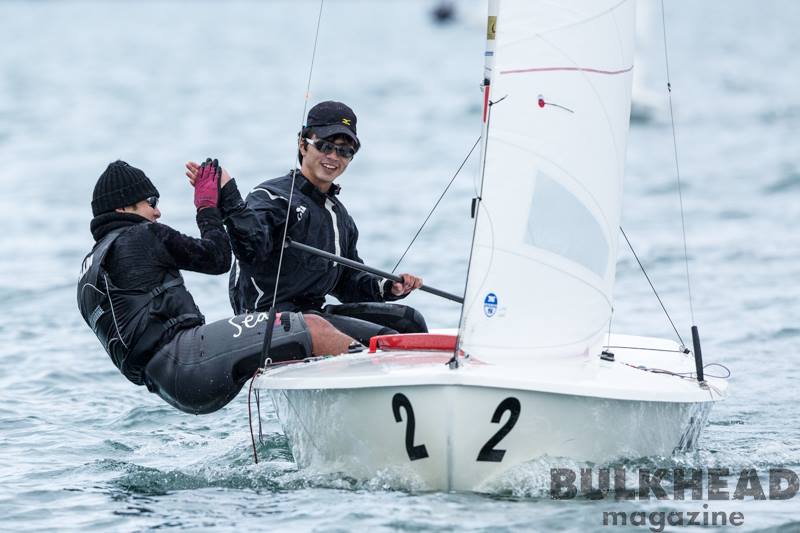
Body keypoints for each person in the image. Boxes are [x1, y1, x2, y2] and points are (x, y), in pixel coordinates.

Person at [77, 160, 356, 415]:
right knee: (313, 327)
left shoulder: (90, 268)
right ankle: (372, 386)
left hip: (166, 384)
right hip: (187, 360)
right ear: (123, 208)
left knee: (298, 334)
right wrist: (207, 208)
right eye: (151, 202)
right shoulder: (140, 235)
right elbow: (218, 258)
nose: (157, 211)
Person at [185, 101, 429, 345]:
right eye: (325, 146)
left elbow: (347, 282)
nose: (333, 157)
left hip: (314, 317)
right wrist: (229, 197)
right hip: (268, 322)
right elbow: (251, 249)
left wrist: (388, 287)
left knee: (410, 321)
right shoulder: (271, 197)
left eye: (344, 151)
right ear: (303, 144)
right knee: (386, 339)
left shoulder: (340, 218)